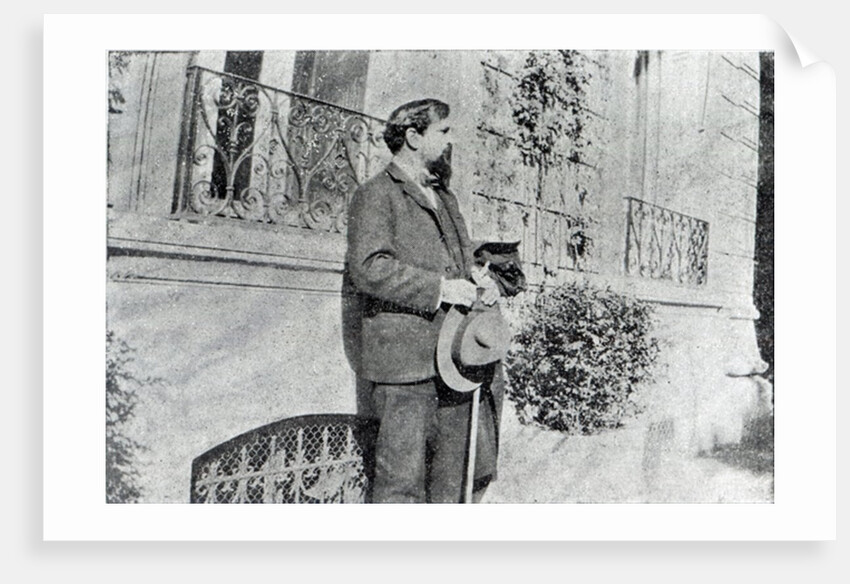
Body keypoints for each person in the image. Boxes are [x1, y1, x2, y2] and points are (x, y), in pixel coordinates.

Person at [345, 98, 501, 503]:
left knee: (451, 484)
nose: (451, 140)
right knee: (401, 487)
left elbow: (458, 263)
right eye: (444, 131)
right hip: (404, 371)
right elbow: (369, 267)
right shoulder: (376, 195)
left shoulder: (444, 199)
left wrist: (479, 279)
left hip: (454, 362)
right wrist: (441, 289)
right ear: (414, 137)